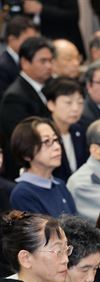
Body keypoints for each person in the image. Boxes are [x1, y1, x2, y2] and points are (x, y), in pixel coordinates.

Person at [0, 36, 53, 180]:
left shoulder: (49, 87)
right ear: (24, 62)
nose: (49, 66)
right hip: (26, 172)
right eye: (43, 61)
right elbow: (22, 141)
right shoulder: (15, 97)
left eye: (50, 60)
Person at [9, 117, 78, 217]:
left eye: (56, 139)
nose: (57, 147)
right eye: (46, 141)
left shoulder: (59, 184)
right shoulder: (23, 193)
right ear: (26, 154)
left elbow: (77, 226)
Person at [43, 76, 88, 181]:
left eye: (80, 103)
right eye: (68, 102)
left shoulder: (80, 131)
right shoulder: (43, 134)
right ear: (51, 105)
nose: (75, 108)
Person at [0, 15, 38, 97]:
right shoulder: (2, 66)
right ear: (12, 40)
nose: (33, 44)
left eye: (34, 40)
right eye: (28, 40)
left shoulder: (33, 60)